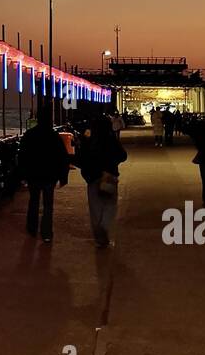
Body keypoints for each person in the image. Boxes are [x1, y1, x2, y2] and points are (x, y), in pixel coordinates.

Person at [17, 102, 70, 243]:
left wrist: (22, 175)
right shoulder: (54, 136)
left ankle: (32, 227)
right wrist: (63, 176)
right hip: (49, 175)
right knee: (48, 204)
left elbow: (22, 156)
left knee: (33, 201)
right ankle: (46, 232)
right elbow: (63, 158)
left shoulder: (29, 135)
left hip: (33, 174)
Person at [76, 111, 127, 248]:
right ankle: (104, 226)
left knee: (95, 207)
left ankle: (99, 234)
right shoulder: (111, 139)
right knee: (110, 205)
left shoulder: (89, 140)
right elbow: (123, 156)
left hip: (92, 177)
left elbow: (81, 158)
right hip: (109, 176)